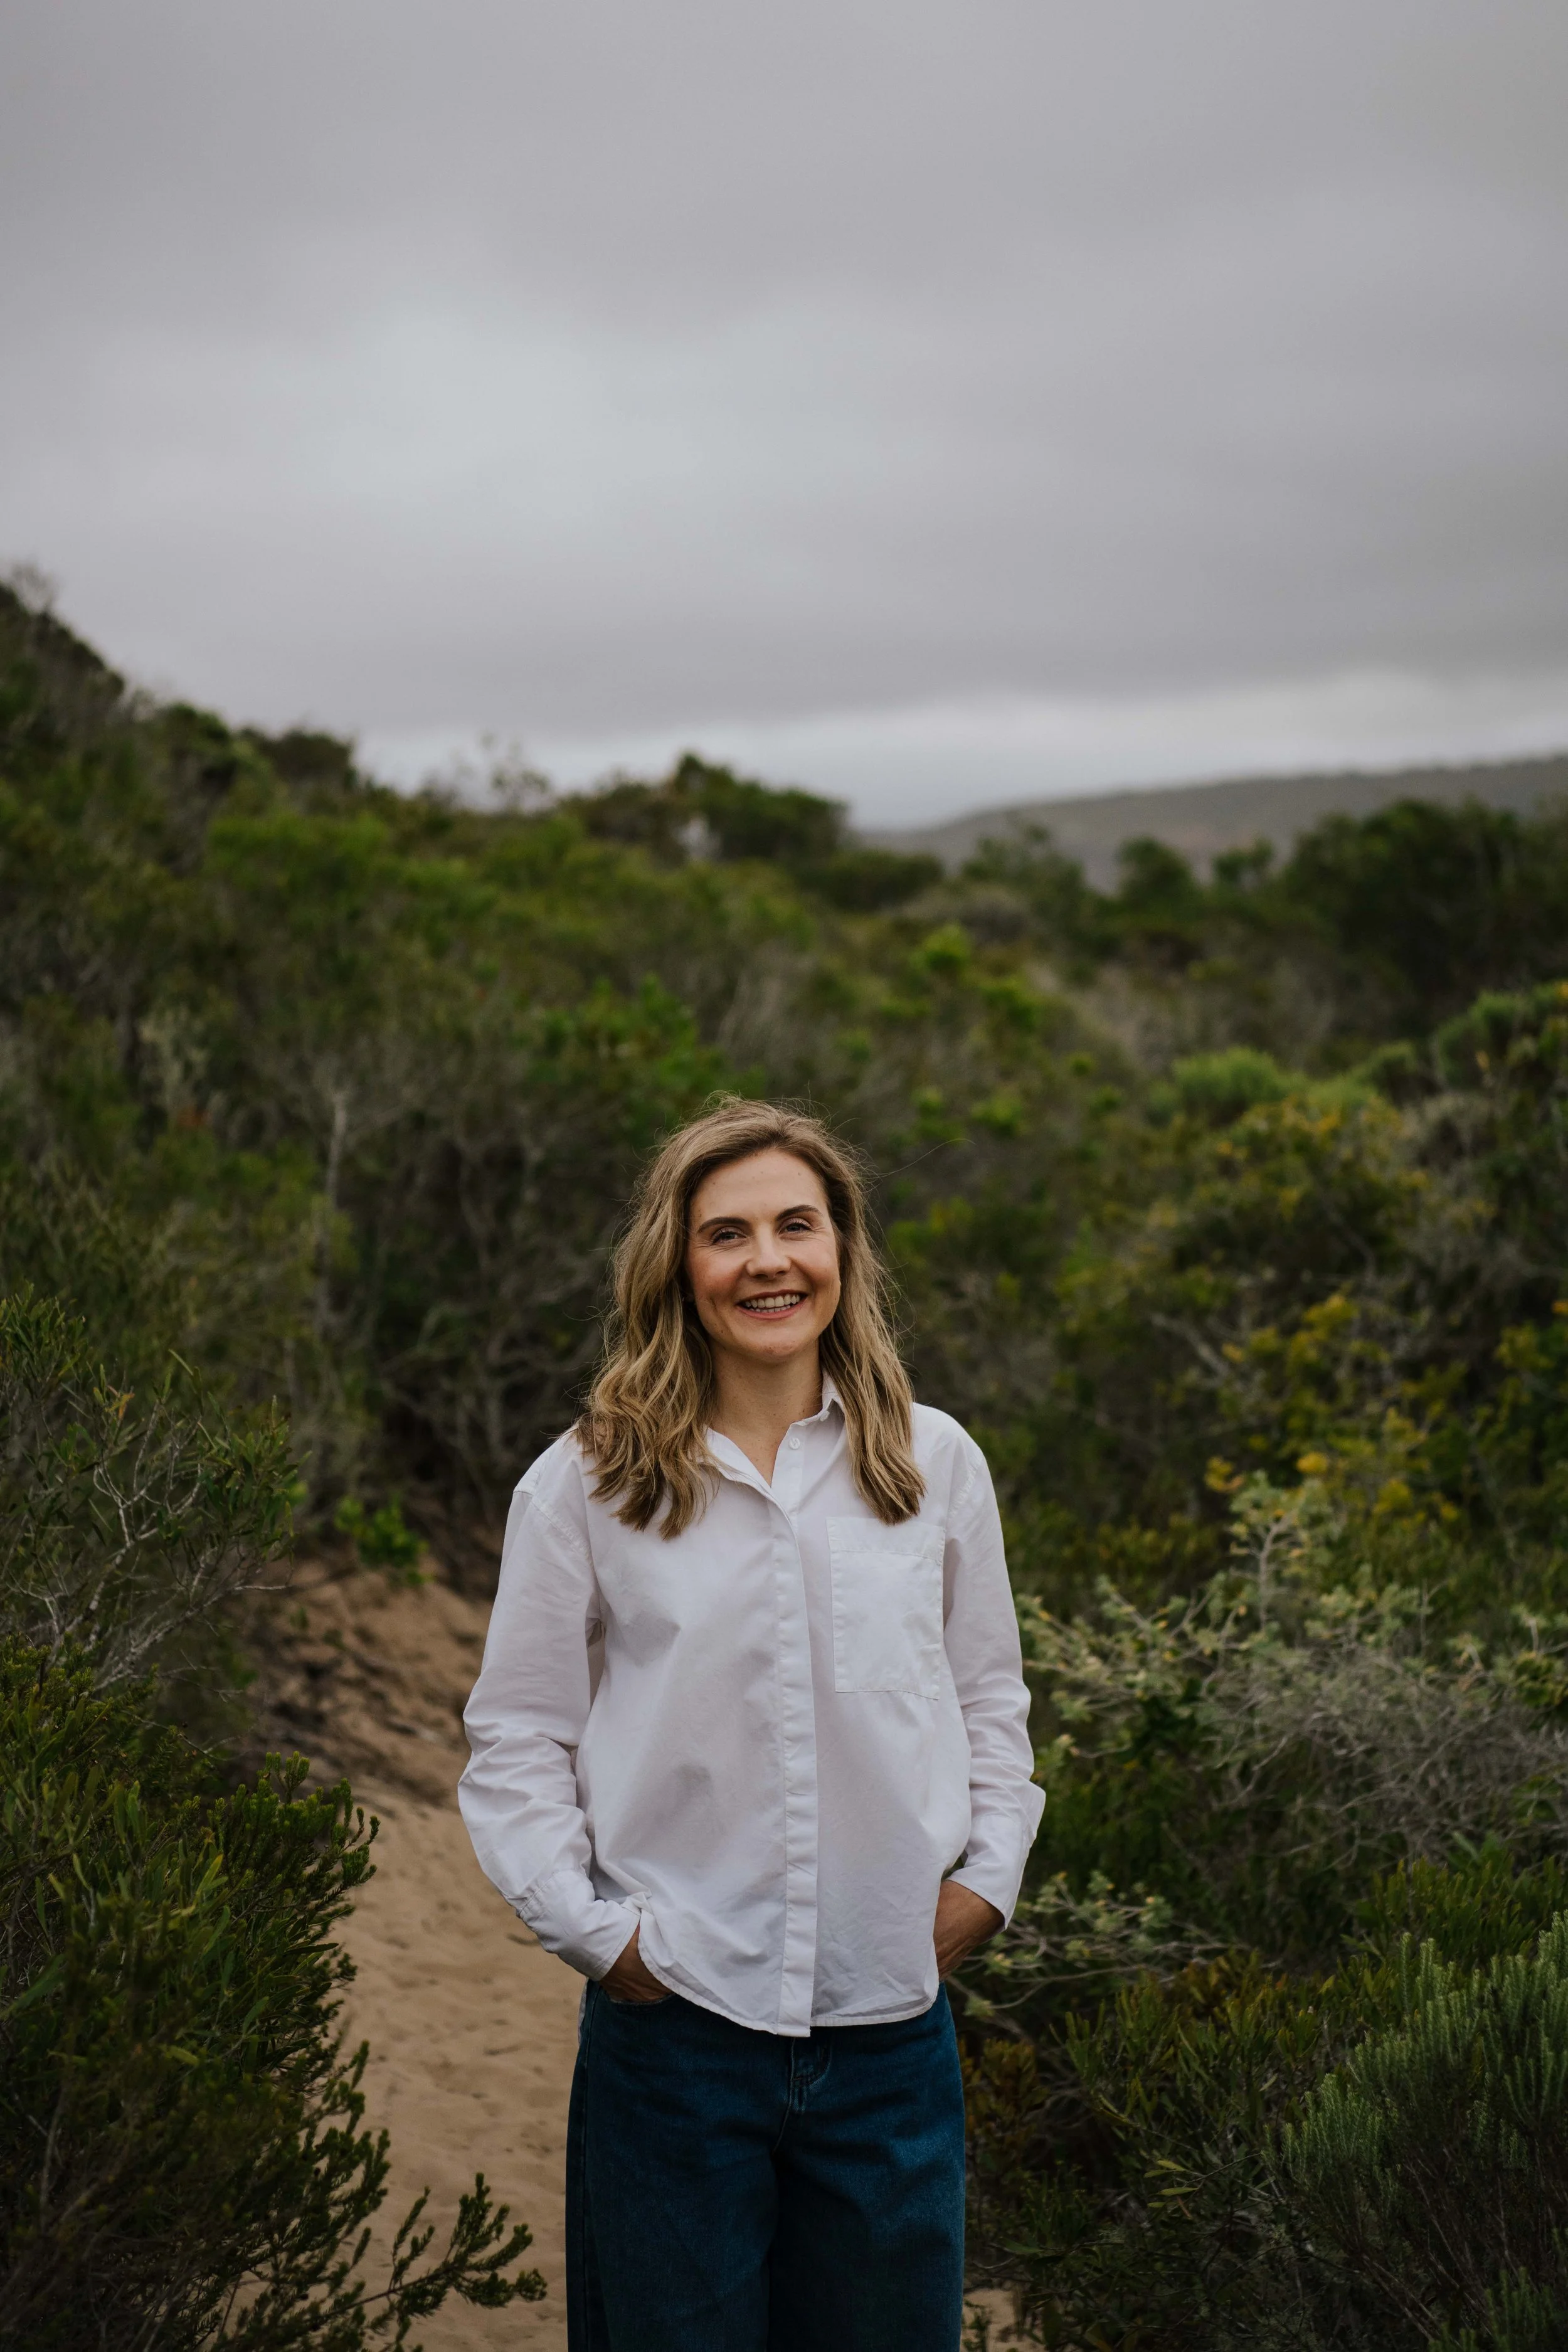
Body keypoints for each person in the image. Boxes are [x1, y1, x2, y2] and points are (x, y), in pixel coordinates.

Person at [459, 1099, 1042, 2351]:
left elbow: (988, 1698)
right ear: (677, 1264)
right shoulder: (589, 1482)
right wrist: (596, 1937)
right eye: (726, 1234)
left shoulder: (934, 1466)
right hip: (675, 2046)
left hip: (890, 2044)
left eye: (796, 1224)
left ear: (842, 1249)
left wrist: (985, 1879)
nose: (766, 1260)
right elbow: (515, 1738)